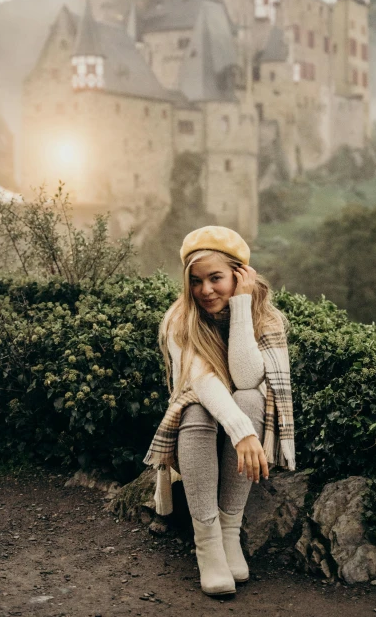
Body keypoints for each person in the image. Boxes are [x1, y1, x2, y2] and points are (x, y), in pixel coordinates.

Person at [144, 226, 295, 598]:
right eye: (196, 281)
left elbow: (246, 379)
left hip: (241, 422)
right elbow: (202, 381)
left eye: (216, 278)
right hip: (201, 427)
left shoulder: (266, 318)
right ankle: (208, 543)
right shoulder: (181, 319)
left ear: (239, 275)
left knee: (251, 398)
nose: (206, 290)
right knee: (195, 409)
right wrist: (243, 433)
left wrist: (241, 306)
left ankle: (230, 533)